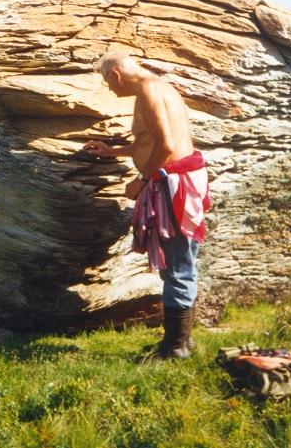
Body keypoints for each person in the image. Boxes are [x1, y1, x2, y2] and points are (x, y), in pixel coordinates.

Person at [83, 50, 211, 360]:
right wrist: (111, 151)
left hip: (173, 186)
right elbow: (150, 141)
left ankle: (175, 348)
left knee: (178, 267)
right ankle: (183, 341)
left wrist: (142, 180)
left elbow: (166, 146)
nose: (110, 89)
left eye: (107, 82)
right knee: (180, 264)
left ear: (116, 75)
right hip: (179, 181)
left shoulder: (150, 91)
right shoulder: (158, 87)